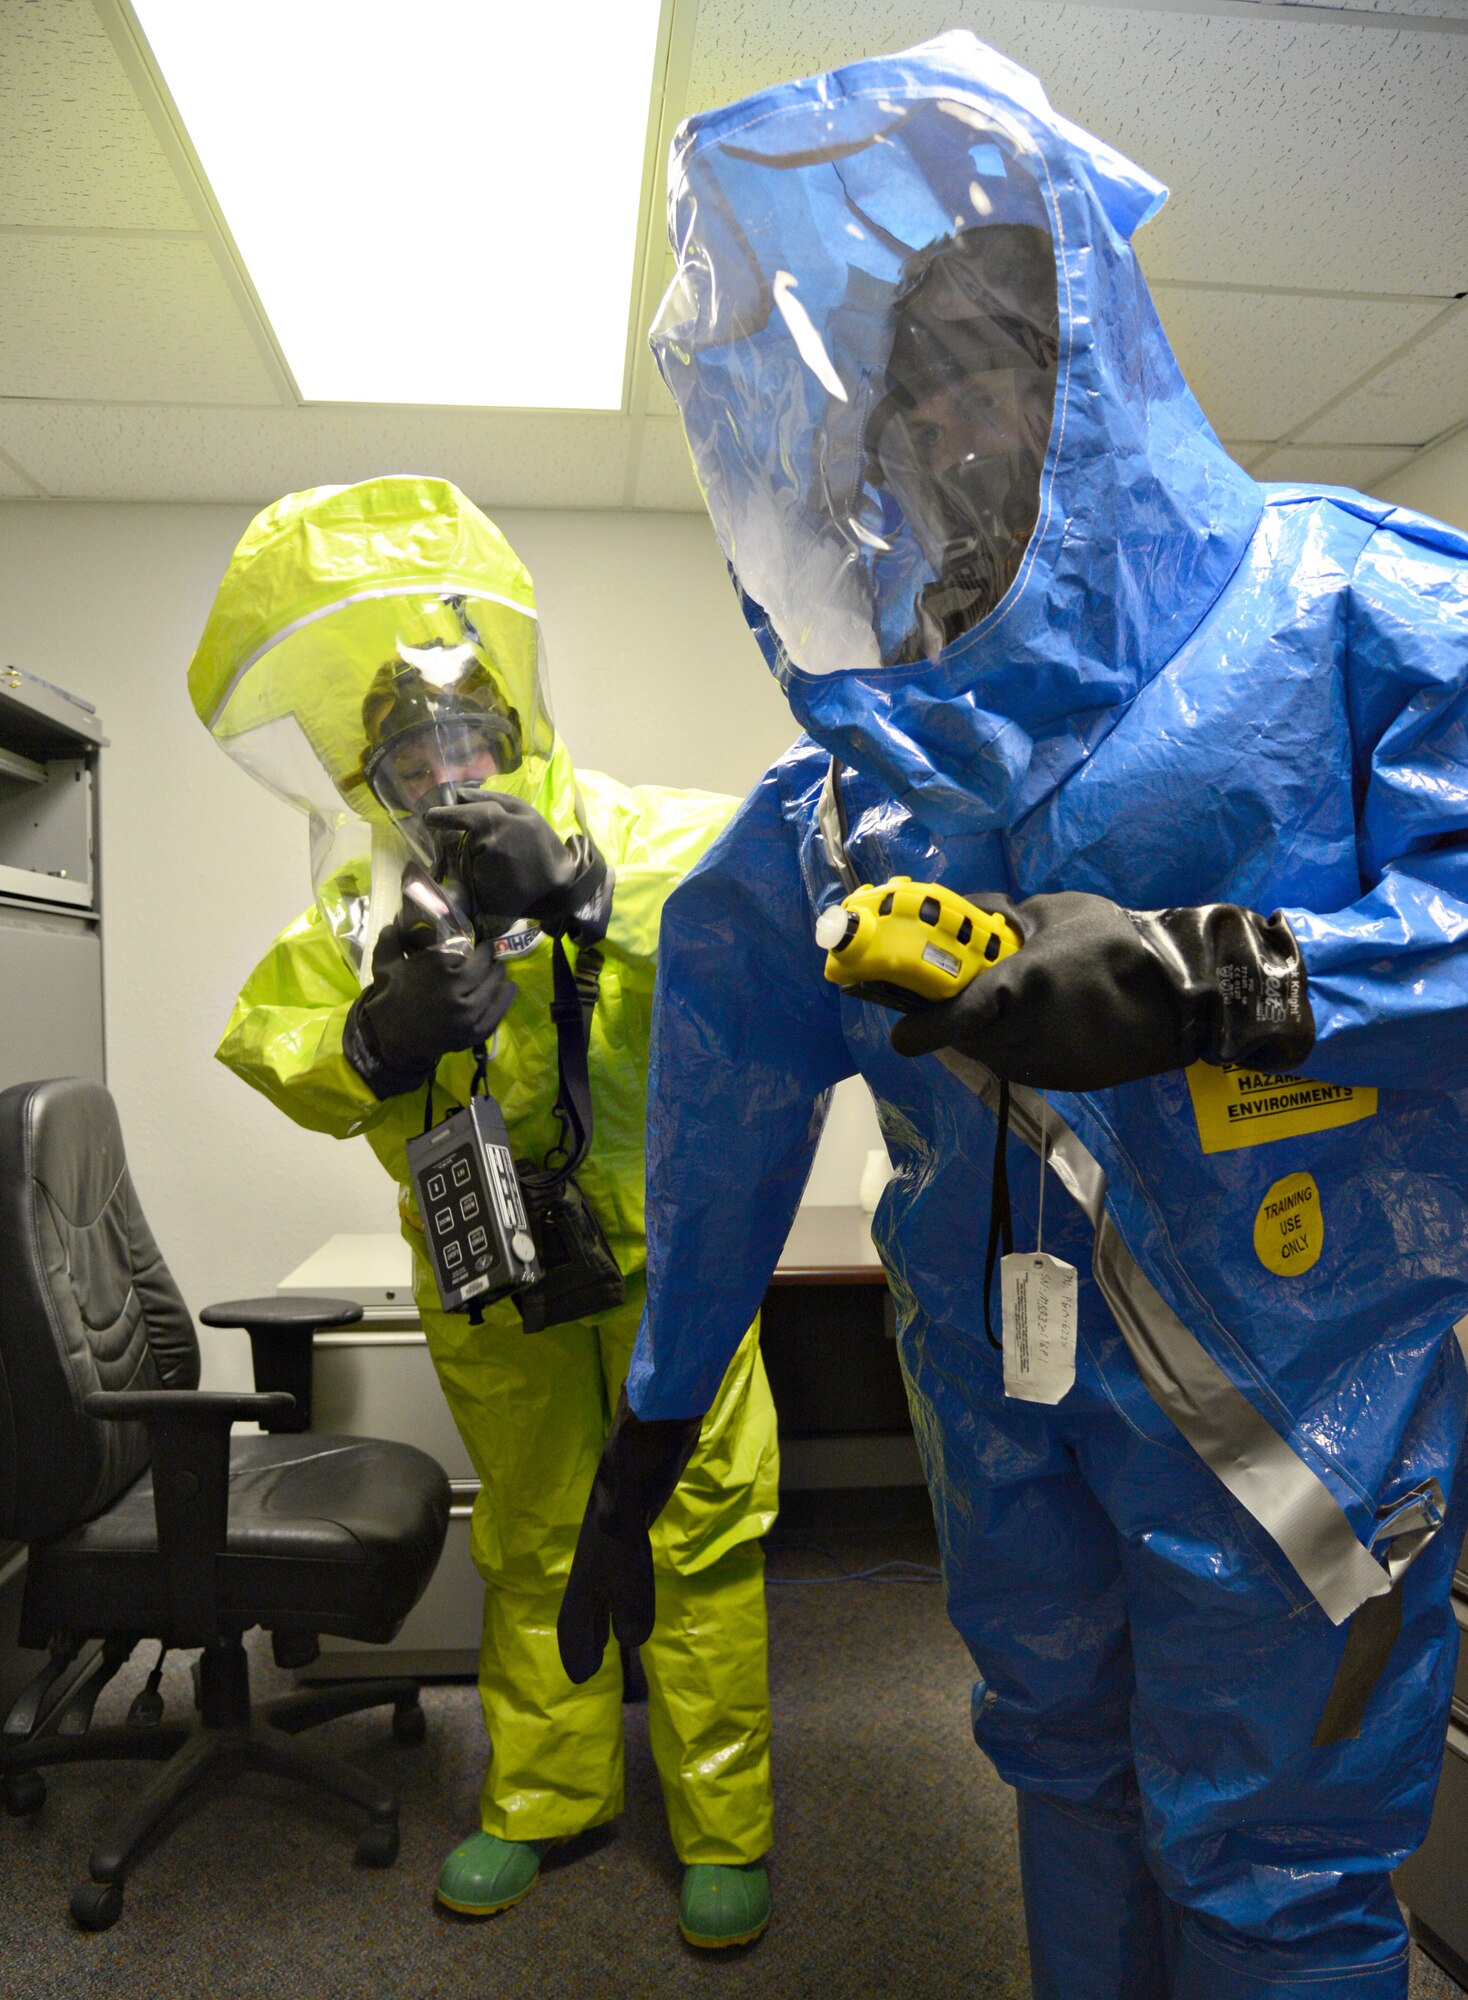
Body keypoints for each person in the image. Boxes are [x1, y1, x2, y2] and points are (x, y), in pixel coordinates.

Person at [557, 32, 1468, 2000]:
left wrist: (1217, 981)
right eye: (914, 402)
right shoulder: (852, 799)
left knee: (1271, 1871)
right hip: (1003, 1406)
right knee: (1061, 1776)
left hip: (1293, 1407)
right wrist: (653, 1422)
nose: (951, 433)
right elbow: (718, 1095)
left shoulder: (1348, 613)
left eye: (997, 372)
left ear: (1100, 381)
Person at [187, 475, 778, 1948]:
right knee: (534, 1529)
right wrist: (371, 1037)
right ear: (367, 774)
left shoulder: (637, 832)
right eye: (407, 750)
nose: (442, 768)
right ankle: (544, 1796)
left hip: (673, 1256)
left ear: (514, 729)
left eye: (462, 736)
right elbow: (269, 1043)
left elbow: (772, 912)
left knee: (698, 1528)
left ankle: (724, 1820)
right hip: (491, 1268)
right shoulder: (358, 911)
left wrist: (581, 890)